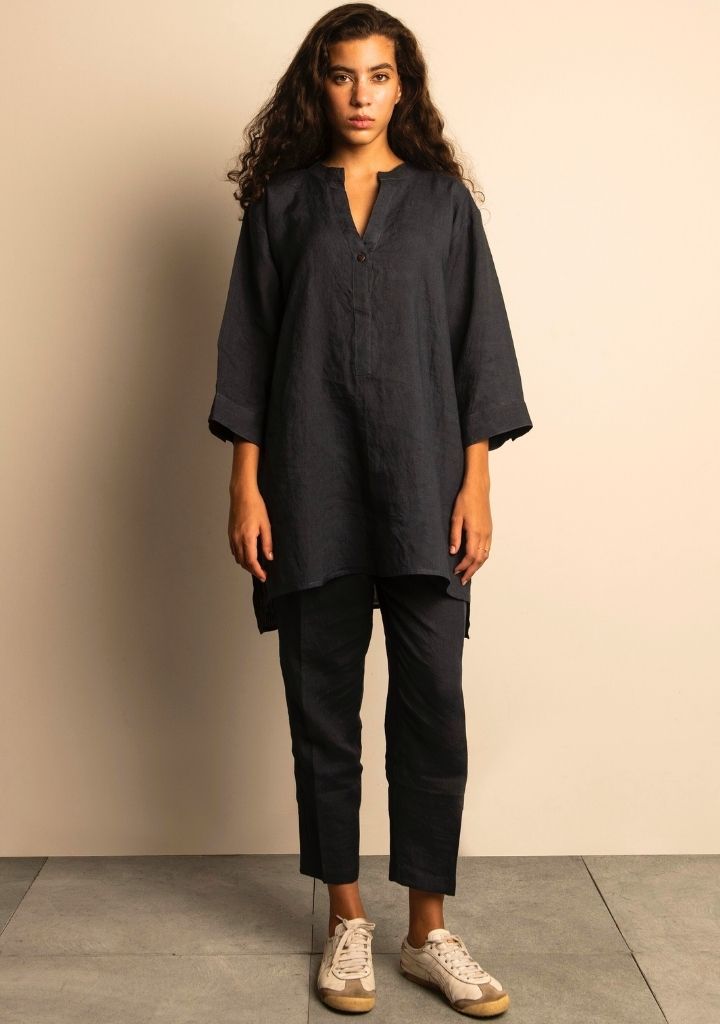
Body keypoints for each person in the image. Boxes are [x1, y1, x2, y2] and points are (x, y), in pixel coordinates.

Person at [208, 3, 532, 1016]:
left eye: (379, 75)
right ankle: (346, 916)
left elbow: (479, 351)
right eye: (342, 74)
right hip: (308, 489)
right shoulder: (282, 208)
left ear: (404, 88)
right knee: (323, 711)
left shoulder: (443, 207)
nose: (360, 94)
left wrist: (477, 484)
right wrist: (246, 484)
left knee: (433, 706)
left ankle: (428, 930)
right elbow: (249, 353)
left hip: (425, 489)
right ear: (319, 84)